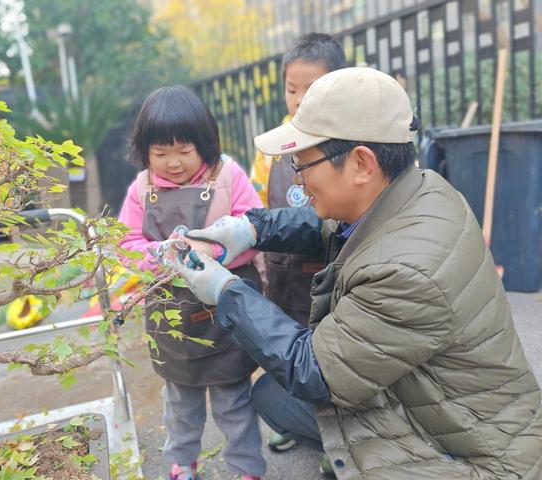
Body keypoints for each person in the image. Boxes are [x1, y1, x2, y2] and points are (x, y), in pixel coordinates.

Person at [172, 68, 542, 479]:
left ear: (361, 163)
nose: (298, 176)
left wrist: (226, 293)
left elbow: (312, 370)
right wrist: (251, 228)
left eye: (303, 163)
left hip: (476, 455)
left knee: (294, 387)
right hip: (446, 406)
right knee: (272, 396)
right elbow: (325, 225)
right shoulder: (417, 189)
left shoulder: (407, 272)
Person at [118, 85, 266, 480]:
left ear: (205, 143)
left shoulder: (228, 176)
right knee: (180, 400)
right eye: (161, 153)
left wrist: (216, 254)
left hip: (226, 310)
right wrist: (159, 257)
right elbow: (126, 243)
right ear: (145, 150)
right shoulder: (141, 188)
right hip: (172, 316)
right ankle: (181, 464)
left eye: (184, 151)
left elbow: (256, 228)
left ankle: (246, 468)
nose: (174, 163)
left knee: (234, 399)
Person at [249, 31, 346, 455]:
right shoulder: (272, 146)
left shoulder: (345, 141)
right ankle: (293, 420)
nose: (300, 99)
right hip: (281, 273)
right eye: (292, 89)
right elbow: (256, 198)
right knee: (282, 346)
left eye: (313, 89)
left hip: (328, 270)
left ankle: (334, 441)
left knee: (326, 358)